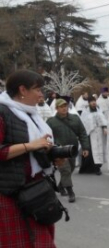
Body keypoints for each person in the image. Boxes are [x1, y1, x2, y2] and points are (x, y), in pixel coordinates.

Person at [0, 70, 58, 247]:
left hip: (37, 190)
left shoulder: (32, 114)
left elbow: (38, 148)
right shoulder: (2, 112)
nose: (41, 94)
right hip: (12, 192)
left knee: (43, 241)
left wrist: (53, 157)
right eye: (37, 89)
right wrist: (30, 146)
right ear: (22, 90)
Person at [46, 98, 90, 203]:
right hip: (59, 151)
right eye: (61, 107)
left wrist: (85, 147)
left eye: (65, 106)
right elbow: (47, 136)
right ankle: (70, 192)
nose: (64, 108)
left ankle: (61, 186)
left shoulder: (75, 118)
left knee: (71, 169)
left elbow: (82, 133)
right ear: (56, 108)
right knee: (65, 170)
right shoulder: (51, 121)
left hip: (72, 150)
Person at [79, 96, 108, 175]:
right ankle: (95, 168)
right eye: (92, 102)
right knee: (92, 151)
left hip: (99, 133)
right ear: (89, 103)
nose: (93, 103)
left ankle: (98, 165)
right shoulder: (85, 112)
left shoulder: (99, 110)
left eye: (94, 101)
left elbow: (103, 120)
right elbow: (83, 123)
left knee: (99, 150)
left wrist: (105, 128)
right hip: (90, 134)